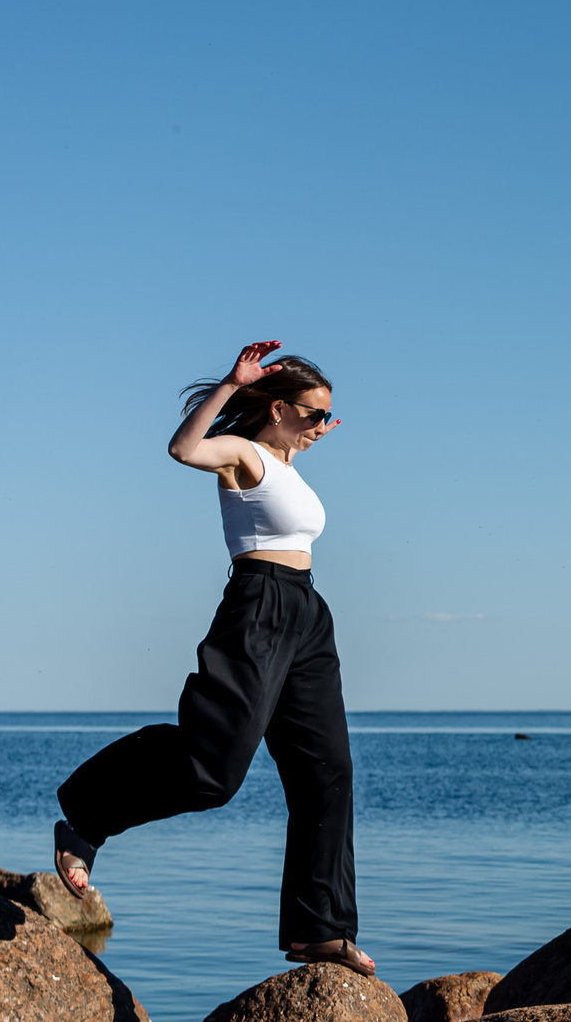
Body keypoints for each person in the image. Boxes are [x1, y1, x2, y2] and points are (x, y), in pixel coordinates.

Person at [50, 339, 372, 976]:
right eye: (312, 415)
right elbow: (184, 449)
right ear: (277, 408)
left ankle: (320, 931)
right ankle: (86, 817)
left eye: (327, 418)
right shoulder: (243, 457)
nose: (320, 427)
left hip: (307, 614)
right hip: (258, 609)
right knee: (212, 771)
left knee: (328, 773)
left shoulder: (286, 462)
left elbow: (295, 485)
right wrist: (230, 385)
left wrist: (304, 437)